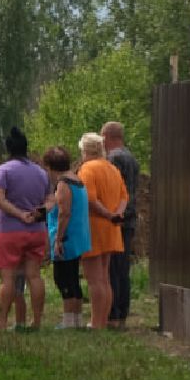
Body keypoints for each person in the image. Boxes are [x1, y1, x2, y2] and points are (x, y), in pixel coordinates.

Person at [0, 127, 49, 330]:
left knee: (8, 279)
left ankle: (1, 323)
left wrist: (19, 214)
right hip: (37, 231)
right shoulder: (41, 172)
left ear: (8, 149)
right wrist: (39, 212)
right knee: (34, 276)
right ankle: (37, 321)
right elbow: (51, 199)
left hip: (8, 232)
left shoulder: (4, 171)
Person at [76, 133, 127, 331]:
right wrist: (116, 215)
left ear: (86, 150)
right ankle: (103, 320)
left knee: (94, 279)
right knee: (105, 278)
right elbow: (124, 196)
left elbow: (89, 199)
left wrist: (107, 214)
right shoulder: (113, 169)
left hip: (94, 228)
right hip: (112, 229)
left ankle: (96, 323)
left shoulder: (87, 169)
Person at [42, 146, 91, 330]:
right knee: (73, 278)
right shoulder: (77, 179)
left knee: (62, 278)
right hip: (79, 236)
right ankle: (77, 319)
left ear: (50, 166)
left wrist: (58, 240)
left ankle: (68, 320)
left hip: (66, 238)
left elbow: (64, 213)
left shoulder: (63, 183)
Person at [102, 121, 141, 329]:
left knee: (112, 269)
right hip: (130, 218)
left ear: (108, 137)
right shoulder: (132, 158)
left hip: (116, 219)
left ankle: (113, 313)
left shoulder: (114, 159)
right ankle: (122, 312)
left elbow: (111, 190)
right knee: (122, 268)